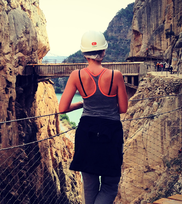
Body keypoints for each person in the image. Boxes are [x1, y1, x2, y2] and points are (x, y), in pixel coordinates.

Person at [59, 30, 128, 204]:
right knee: (110, 185)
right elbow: (123, 108)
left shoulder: (76, 76)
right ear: (103, 52)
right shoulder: (116, 76)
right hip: (110, 133)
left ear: (84, 53)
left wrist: (84, 103)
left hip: (86, 131)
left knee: (89, 186)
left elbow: (63, 108)